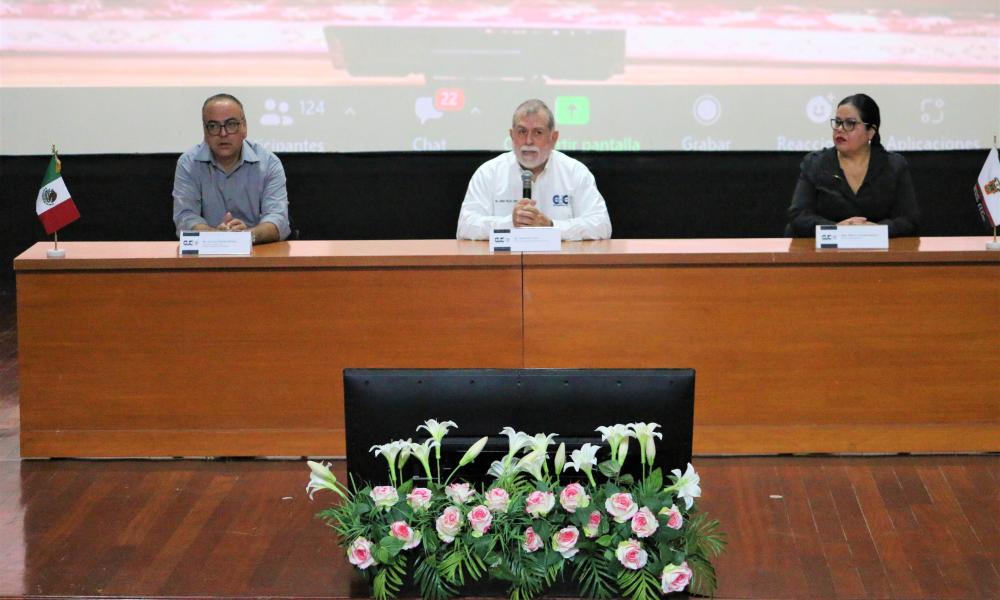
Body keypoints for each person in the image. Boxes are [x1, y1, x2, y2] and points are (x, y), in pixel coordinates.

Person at [457, 99, 612, 240]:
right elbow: (465, 226)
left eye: (538, 132)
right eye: (522, 132)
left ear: (553, 138)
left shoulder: (575, 172)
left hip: (559, 266)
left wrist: (551, 227)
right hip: (503, 265)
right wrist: (509, 223)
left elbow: (601, 225)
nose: (528, 141)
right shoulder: (489, 173)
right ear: (511, 135)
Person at [786, 93, 918, 237]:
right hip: (826, 253)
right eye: (837, 122)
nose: (840, 129)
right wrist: (836, 229)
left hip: (879, 252)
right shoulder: (815, 163)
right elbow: (798, 215)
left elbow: (909, 219)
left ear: (871, 132)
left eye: (850, 123)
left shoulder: (893, 165)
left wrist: (877, 231)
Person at [173, 93, 290, 244]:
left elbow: (278, 220)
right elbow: (185, 218)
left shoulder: (268, 163)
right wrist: (217, 237)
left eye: (231, 124)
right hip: (205, 257)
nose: (223, 133)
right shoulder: (188, 163)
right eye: (213, 126)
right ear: (205, 132)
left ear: (244, 127)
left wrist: (246, 236)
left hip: (257, 253)